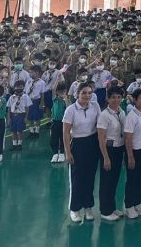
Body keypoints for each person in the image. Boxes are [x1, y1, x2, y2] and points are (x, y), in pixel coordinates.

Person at [62, 82, 101, 224]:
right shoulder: (71, 110)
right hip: (77, 144)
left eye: (90, 93)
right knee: (77, 178)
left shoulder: (95, 106)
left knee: (90, 177)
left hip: (92, 144)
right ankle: (75, 209)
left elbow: (100, 126)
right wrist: (68, 152)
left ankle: (88, 207)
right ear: (77, 94)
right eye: (84, 92)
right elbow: (66, 132)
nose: (87, 95)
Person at [97, 86, 126, 221]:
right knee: (106, 181)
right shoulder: (104, 115)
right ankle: (105, 210)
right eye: (113, 97)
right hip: (108, 150)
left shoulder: (121, 112)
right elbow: (101, 138)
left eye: (119, 97)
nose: (116, 99)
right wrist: (106, 157)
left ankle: (112, 207)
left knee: (114, 180)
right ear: (108, 99)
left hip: (119, 149)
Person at [123, 88, 141, 219]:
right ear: (135, 100)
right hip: (134, 151)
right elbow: (128, 137)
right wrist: (130, 156)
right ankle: (129, 206)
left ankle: (138, 203)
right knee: (132, 179)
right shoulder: (131, 116)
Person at [7, 82, 31, 151]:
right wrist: (9, 117)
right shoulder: (12, 97)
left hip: (21, 115)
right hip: (13, 115)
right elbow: (9, 108)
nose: (18, 88)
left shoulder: (25, 97)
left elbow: (27, 108)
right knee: (13, 130)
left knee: (20, 131)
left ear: (23, 87)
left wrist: (26, 117)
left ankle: (19, 144)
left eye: (20, 87)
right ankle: (14, 144)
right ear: (14, 88)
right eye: (17, 87)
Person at [50, 82, 68, 163]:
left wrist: (65, 99)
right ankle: (55, 153)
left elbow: (68, 108)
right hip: (55, 121)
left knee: (63, 137)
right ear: (57, 92)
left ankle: (62, 153)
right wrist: (57, 78)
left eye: (63, 92)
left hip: (64, 122)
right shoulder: (55, 99)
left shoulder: (66, 100)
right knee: (54, 138)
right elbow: (53, 88)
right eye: (60, 92)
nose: (62, 93)